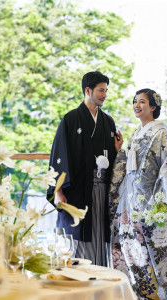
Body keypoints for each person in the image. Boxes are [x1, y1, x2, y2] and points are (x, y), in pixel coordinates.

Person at [109, 89, 167, 299]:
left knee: (149, 254)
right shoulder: (135, 134)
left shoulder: (160, 134)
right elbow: (127, 167)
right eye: (135, 101)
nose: (136, 105)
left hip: (148, 202)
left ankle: (155, 296)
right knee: (129, 250)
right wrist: (119, 151)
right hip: (129, 202)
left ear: (153, 107)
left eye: (142, 102)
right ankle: (134, 294)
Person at [47, 71, 117, 266]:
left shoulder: (108, 122)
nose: (104, 94)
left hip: (101, 191)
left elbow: (112, 157)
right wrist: (58, 191)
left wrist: (117, 150)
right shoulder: (70, 120)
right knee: (75, 239)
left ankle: (99, 286)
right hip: (77, 191)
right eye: (101, 90)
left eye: (106, 90)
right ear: (88, 90)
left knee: (98, 237)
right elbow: (58, 158)